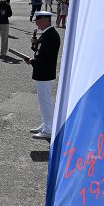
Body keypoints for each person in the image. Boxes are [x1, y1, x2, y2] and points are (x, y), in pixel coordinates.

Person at [24, 11, 61, 141]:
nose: (36, 23)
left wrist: (32, 61)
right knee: (43, 100)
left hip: (44, 71)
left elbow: (46, 57)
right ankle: (46, 124)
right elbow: (40, 51)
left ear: (45, 20)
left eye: (38, 20)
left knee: (45, 101)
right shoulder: (46, 34)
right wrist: (34, 44)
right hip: (42, 71)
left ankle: (48, 129)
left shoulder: (50, 35)